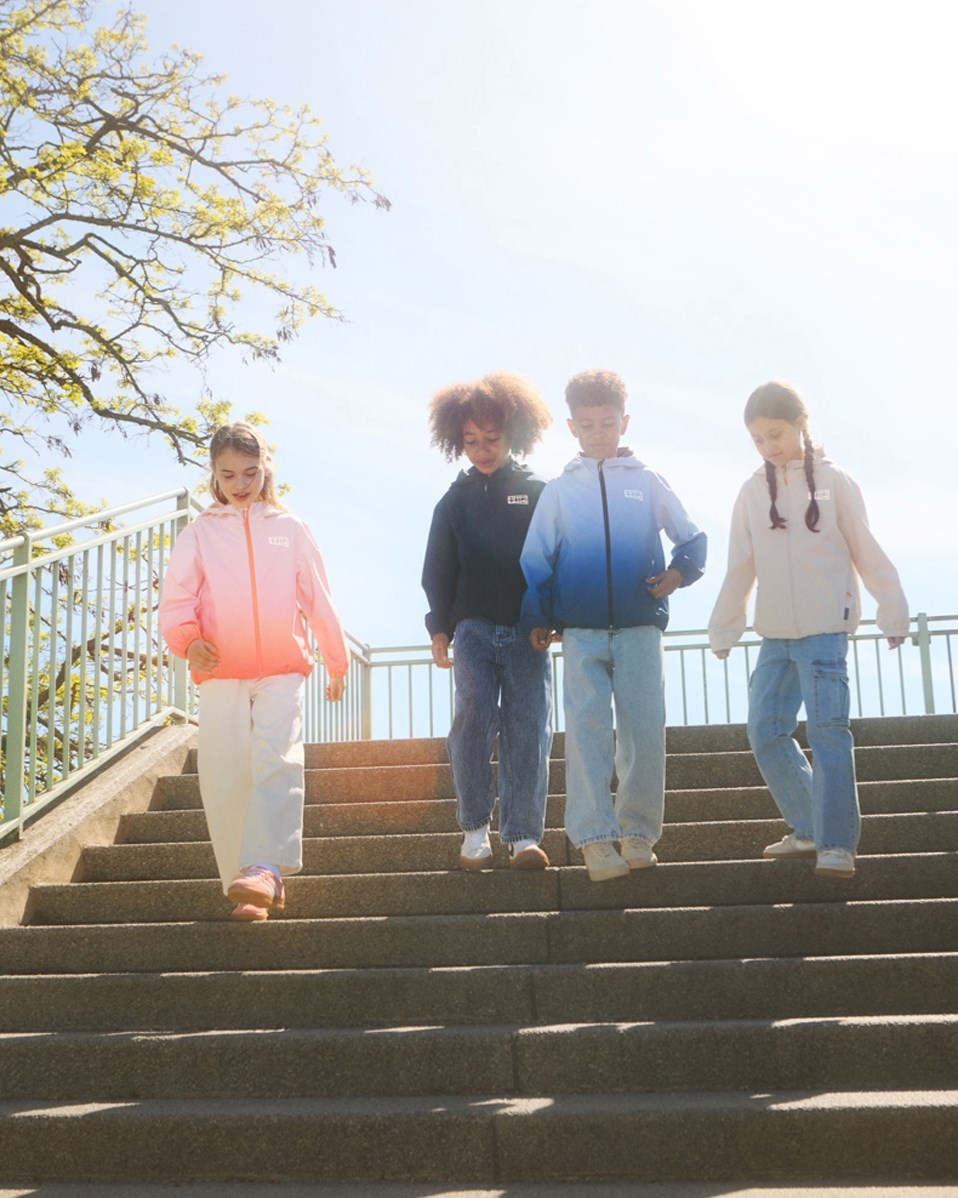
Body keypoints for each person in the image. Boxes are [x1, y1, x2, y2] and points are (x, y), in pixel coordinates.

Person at [708, 381, 909, 878]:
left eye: (775, 434)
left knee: (828, 733)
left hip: (824, 629)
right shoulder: (752, 490)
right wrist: (725, 627)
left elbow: (864, 546)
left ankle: (837, 844)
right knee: (765, 731)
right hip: (775, 634)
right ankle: (808, 827)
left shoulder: (835, 480)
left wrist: (892, 608)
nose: (768, 446)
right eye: (757, 439)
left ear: (801, 423)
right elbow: (741, 563)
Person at [521, 369, 707, 882]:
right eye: (588, 424)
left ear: (624, 422)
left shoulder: (648, 483)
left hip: (639, 628)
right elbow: (537, 556)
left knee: (643, 733)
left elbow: (692, 540)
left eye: (608, 423)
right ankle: (595, 840)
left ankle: (638, 833)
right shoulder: (559, 490)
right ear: (572, 427)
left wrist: (678, 574)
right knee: (585, 733)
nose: (599, 432)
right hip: (579, 631)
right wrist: (537, 614)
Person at [159, 422, 349, 920]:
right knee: (225, 774)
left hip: (282, 668)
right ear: (214, 477)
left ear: (266, 468)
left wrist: (336, 659)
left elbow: (318, 599)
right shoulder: (198, 533)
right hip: (221, 670)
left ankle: (264, 867)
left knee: (277, 758)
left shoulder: (290, 529)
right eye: (228, 475)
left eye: (249, 471)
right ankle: (244, 884)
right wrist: (189, 641)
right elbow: (176, 599)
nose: (240, 484)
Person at [422, 372, 554, 870]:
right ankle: (475, 832)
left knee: (528, 726)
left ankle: (522, 837)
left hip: (527, 630)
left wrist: (549, 615)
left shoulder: (539, 492)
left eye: (491, 439)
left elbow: (553, 560)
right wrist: (439, 627)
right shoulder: (452, 502)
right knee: (472, 717)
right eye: (471, 441)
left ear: (513, 435)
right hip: (472, 629)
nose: (481, 449)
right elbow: (437, 570)